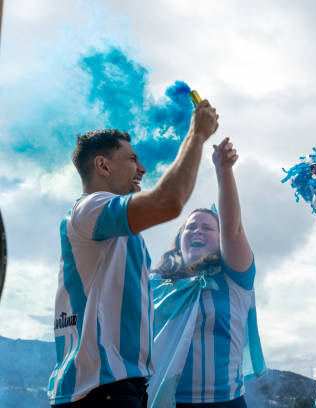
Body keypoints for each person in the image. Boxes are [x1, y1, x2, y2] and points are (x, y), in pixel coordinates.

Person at [47, 99, 219, 407]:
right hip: (101, 391)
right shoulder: (89, 207)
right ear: (103, 165)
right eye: (132, 159)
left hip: (117, 388)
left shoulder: (119, 232)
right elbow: (169, 202)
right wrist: (197, 134)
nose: (142, 168)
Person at [149, 137, 265, 408]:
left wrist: (224, 172)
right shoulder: (154, 284)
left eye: (207, 228)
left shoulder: (234, 279)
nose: (197, 231)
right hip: (163, 401)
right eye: (190, 227)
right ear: (179, 240)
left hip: (224, 402)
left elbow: (233, 229)